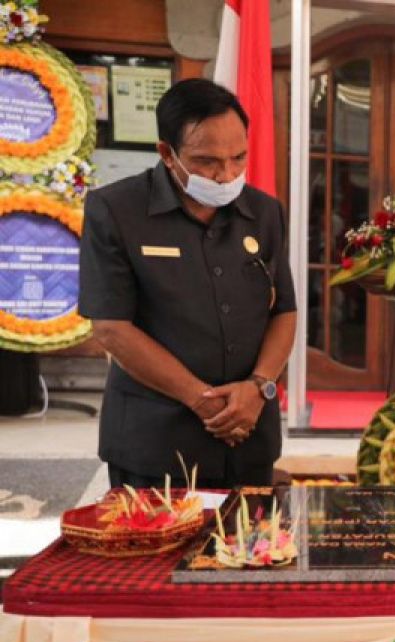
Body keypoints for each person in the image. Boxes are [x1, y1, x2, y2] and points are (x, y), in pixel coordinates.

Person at [79, 78, 297, 490]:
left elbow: (283, 310)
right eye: (207, 161)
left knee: (247, 550)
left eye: (238, 157)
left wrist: (257, 387)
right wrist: (204, 400)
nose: (225, 175)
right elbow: (110, 327)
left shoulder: (265, 213)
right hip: (156, 443)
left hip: (250, 436)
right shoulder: (116, 211)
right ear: (167, 154)